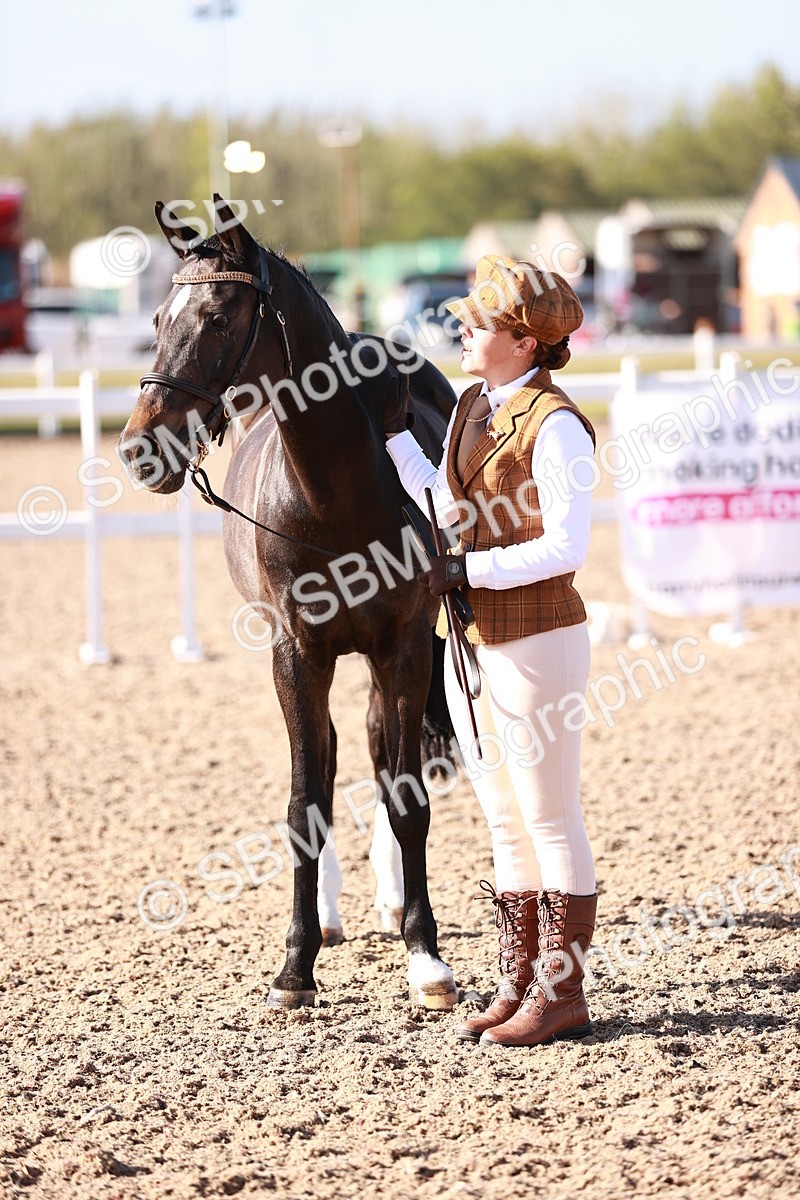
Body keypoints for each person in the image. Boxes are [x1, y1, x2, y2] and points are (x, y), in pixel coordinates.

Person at [384, 256, 598, 1048]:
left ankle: (562, 992)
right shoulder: (475, 403)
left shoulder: (558, 425)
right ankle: (516, 983)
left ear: (519, 339)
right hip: (470, 634)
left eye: (476, 325)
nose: (462, 333)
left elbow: (564, 546)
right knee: (505, 821)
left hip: (540, 636)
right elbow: (450, 502)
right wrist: (395, 436)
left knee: (548, 815)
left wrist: (464, 568)